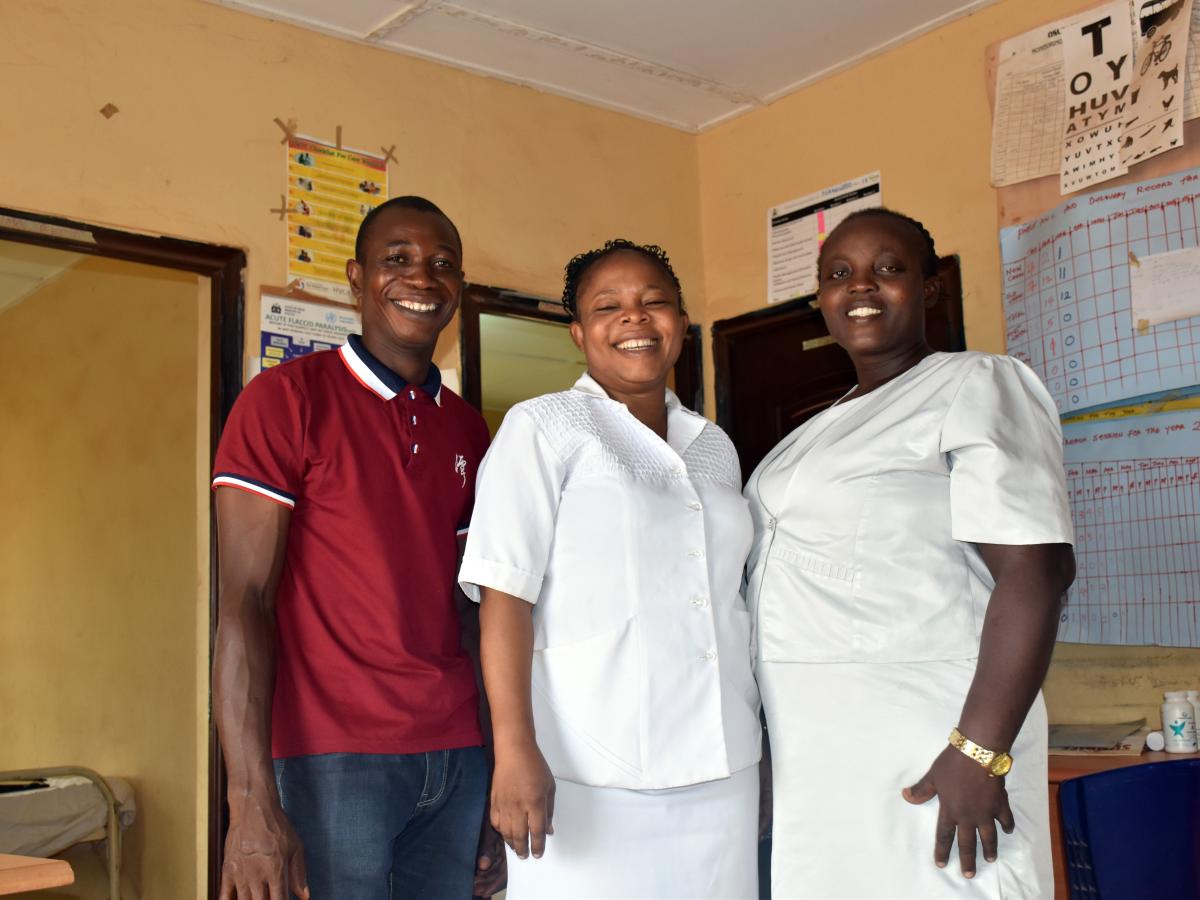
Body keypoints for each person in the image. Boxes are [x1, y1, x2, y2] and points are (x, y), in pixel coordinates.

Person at [744, 209, 1076, 898]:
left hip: (934, 733)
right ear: (821, 302)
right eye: (839, 274)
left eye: (888, 268)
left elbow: (1036, 571)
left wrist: (979, 751)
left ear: (930, 288)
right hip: (818, 748)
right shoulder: (819, 428)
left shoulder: (978, 385)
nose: (861, 286)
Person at [212, 196, 501, 899]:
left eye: (442, 265)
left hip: (457, 755)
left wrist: (496, 767)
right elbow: (242, 604)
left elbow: (478, 614)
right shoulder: (285, 400)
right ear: (356, 277)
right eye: (397, 260)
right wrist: (248, 803)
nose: (422, 279)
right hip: (333, 758)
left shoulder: (469, 431)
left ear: (459, 288)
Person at [459, 240, 762, 899]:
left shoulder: (714, 446)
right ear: (578, 332)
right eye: (608, 307)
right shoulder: (544, 428)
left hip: (723, 762)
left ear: (681, 324)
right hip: (590, 770)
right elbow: (504, 596)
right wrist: (513, 753)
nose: (634, 318)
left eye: (655, 303)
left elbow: (728, 599)